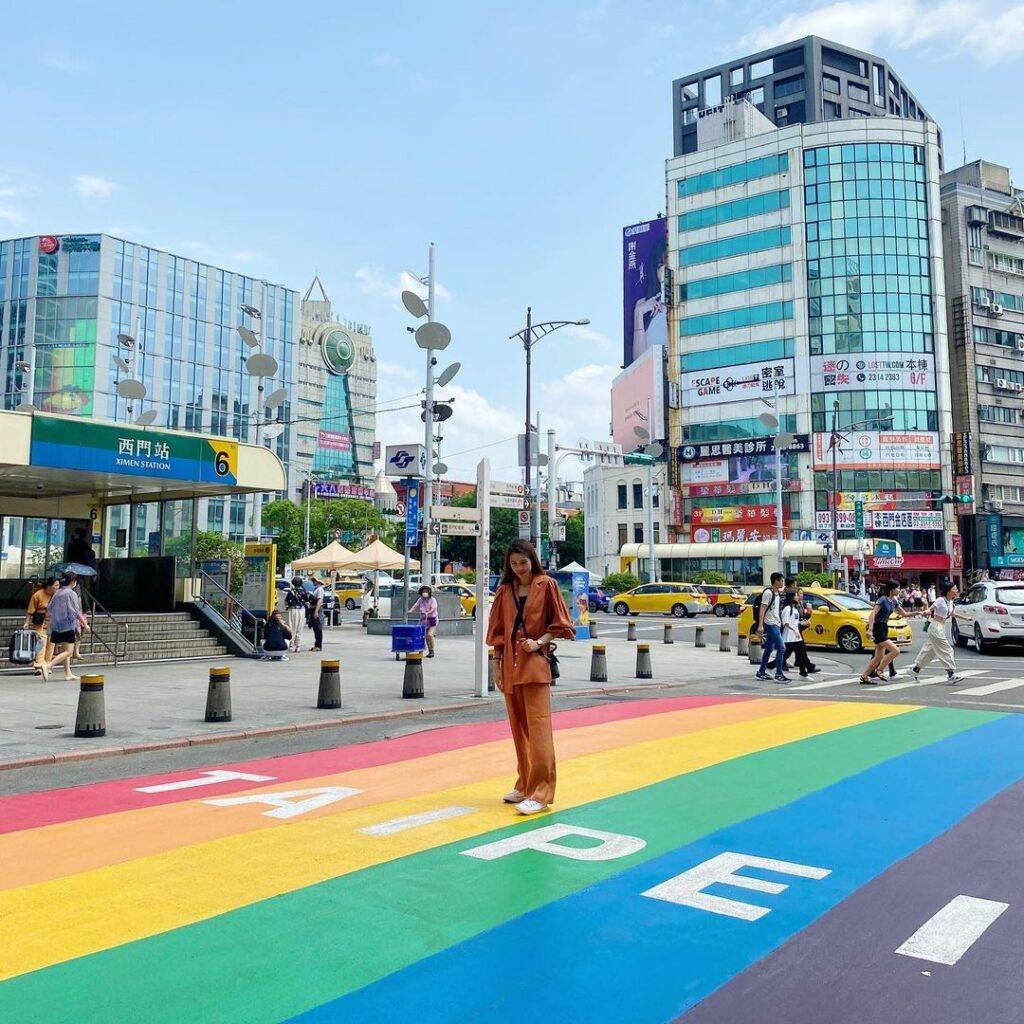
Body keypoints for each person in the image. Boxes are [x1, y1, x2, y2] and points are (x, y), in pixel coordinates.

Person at [486, 539, 575, 816]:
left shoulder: (546, 584)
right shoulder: (505, 590)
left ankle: (542, 792)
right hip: (510, 666)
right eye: (514, 564)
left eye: (523, 562)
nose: (519, 568)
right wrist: (496, 666)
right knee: (519, 729)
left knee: (539, 731)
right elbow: (498, 633)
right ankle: (525, 784)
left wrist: (538, 642)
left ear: (532, 560)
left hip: (535, 665)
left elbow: (560, 625)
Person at [910, 582, 964, 684]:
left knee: (929, 651)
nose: (957, 591)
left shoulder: (951, 602)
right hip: (935, 627)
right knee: (947, 649)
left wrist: (966, 618)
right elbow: (931, 609)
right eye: (955, 589)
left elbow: (952, 614)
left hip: (941, 627)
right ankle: (951, 674)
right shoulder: (940, 600)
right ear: (948, 591)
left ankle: (915, 670)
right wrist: (926, 612)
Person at [43, 572, 89, 682]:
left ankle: (68, 673)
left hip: (56, 626)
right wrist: (85, 624)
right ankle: (48, 665)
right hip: (67, 626)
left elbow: (49, 609)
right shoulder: (71, 594)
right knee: (69, 651)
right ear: (73, 581)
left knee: (65, 650)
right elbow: (76, 611)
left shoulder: (58, 592)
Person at [860, 580, 901, 685]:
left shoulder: (894, 601)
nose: (899, 590)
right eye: (898, 588)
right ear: (892, 590)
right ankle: (880, 670)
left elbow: (904, 613)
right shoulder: (882, 600)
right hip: (878, 627)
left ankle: (864, 676)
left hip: (884, 627)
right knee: (895, 650)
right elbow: (873, 613)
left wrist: (919, 612)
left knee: (878, 657)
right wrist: (870, 630)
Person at [755, 572, 789, 683]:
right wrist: (760, 625)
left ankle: (761, 672)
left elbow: (775, 609)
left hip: (776, 623)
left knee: (769, 648)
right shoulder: (768, 593)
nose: (783, 582)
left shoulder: (777, 593)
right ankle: (779, 674)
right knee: (781, 647)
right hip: (770, 623)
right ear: (776, 581)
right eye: (781, 580)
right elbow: (762, 608)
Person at [23, 576, 59, 675]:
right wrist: (26, 622)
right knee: (40, 643)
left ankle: (47, 665)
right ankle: (39, 665)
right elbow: (30, 610)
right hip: (40, 622)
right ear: (49, 586)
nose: (57, 587)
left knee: (51, 644)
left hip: (52, 623)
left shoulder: (57, 596)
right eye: (56, 585)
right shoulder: (38, 595)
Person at [780, 590, 818, 678]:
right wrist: (795, 630)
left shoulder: (796, 607)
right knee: (787, 653)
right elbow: (786, 623)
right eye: (797, 594)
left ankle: (803, 671)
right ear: (792, 597)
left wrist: (804, 622)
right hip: (790, 635)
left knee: (801, 651)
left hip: (796, 635)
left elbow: (798, 621)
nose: (799, 596)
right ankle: (770, 665)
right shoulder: (788, 609)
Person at [409, 585, 439, 658]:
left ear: (429, 592)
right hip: (424, 621)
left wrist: (428, 612)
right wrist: (410, 610)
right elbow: (416, 605)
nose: (424, 593)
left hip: (432, 620)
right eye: (423, 591)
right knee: (425, 636)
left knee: (430, 635)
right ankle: (429, 651)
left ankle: (432, 651)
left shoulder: (433, 600)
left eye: (426, 591)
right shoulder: (420, 599)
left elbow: (434, 608)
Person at [285, 579, 305, 653]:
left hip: (293, 610)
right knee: (299, 628)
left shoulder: (291, 592)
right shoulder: (304, 591)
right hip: (302, 610)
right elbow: (307, 600)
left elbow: (286, 602)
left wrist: (287, 606)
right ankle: (298, 646)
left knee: (292, 627)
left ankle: (291, 645)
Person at [307, 576, 324, 652]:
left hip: (316, 609)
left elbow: (319, 601)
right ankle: (316, 645)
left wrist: (316, 611)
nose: (313, 582)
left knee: (318, 628)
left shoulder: (320, 589)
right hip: (313, 608)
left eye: (314, 580)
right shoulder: (316, 589)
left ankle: (318, 646)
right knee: (315, 628)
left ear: (318, 582)